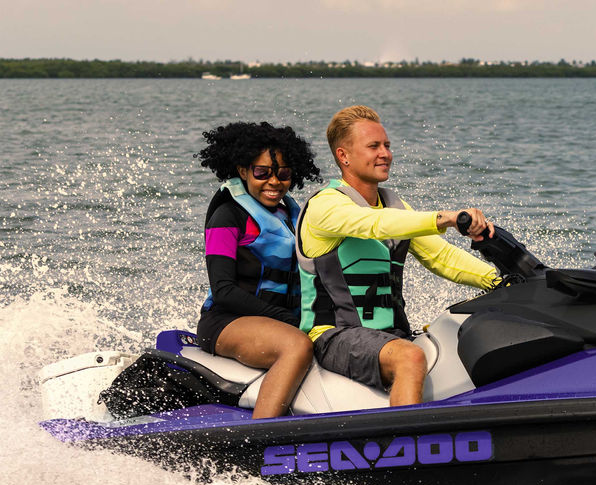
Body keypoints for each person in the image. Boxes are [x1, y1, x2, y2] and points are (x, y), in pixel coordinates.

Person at [295, 105, 500, 407]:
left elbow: (442, 257)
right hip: (334, 335)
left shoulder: (395, 207)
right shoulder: (325, 206)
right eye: (374, 146)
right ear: (343, 156)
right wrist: (445, 218)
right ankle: (406, 445)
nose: (385, 154)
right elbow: (373, 225)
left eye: (387, 146)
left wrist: (499, 281)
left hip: (389, 334)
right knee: (410, 357)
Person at [195, 122, 321, 418]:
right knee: (297, 347)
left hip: (281, 321)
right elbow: (223, 290)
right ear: (243, 171)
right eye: (262, 172)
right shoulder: (227, 216)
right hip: (227, 321)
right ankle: (261, 437)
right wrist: (287, 319)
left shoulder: (292, 216)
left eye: (284, 174)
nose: (274, 182)